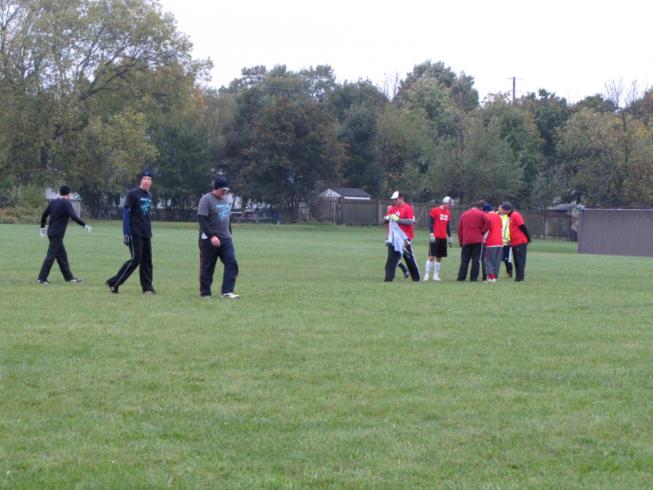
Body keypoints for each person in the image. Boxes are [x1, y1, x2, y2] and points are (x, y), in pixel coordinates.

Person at [106, 170, 155, 294]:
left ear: (151, 182)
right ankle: (114, 283)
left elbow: (146, 215)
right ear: (141, 180)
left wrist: (149, 230)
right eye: (144, 179)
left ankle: (147, 288)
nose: (146, 181)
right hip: (135, 232)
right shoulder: (133, 194)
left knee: (147, 261)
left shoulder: (149, 195)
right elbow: (126, 213)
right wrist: (126, 233)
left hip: (146, 232)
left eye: (149, 179)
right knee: (135, 259)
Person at [37, 185, 92, 284]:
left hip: (51, 232)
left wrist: (42, 227)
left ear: (60, 193)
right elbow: (73, 216)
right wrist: (84, 225)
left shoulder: (53, 202)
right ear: (69, 194)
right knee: (50, 257)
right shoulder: (66, 203)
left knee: (62, 257)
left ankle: (69, 278)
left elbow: (44, 214)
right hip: (57, 234)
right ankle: (41, 279)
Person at [197, 176, 240, 299]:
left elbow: (227, 218)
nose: (224, 192)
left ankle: (227, 291)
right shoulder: (206, 200)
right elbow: (202, 219)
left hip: (226, 238)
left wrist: (229, 233)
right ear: (215, 188)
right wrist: (211, 236)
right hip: (209, 239)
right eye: (222, 190)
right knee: (208, 266)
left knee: (231, 263)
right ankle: (205, 292)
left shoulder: (225, 199)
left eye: (226, 190)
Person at [384, 191, 420, 282]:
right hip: (394, 238)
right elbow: (386, 222)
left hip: (405, 238)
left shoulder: (407, 208)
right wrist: (387, 217)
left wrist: (398, 220)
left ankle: (416, 278)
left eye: (396, 199)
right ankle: (388, 279)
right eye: (393, 200)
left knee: (408, 258)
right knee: (391, 259)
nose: (394, 201)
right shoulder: (392, 208)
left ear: (401, 198)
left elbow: (411, 221)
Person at [457, 200, 490, 281]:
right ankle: (473, 278)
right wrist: (482, 232)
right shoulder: (481, 214)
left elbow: (459, 229)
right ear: (481, 208)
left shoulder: (464, 214)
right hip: (477, 240)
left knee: (464, 259)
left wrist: (461, 241)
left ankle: (461, 277)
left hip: (466, 240)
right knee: (476, 260)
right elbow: (488, 222)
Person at [423, 196, 454, 281]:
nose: (450, 206)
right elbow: (430, 223)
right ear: (445, 203)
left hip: (443, 237)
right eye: (449, 204)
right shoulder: (435, 210)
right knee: (431, 256)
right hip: (435, 237)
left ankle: (436, 275)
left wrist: (450, 236)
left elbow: (447, 226)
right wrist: (431, 233)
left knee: (439, 257)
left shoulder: (448, 212)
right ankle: (426, 274)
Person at [499, 202, 531, 282]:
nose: (501, 211)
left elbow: (522, 226)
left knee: (520, 260)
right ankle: (518, 278)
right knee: (516, 260)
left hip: (520, 241)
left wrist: (528, 238)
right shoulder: (510, 216)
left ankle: (520, 278)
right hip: (514, 242)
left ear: (506, 210)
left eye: (502, 209)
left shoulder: (516, 215)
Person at [482, 203, 503, 283]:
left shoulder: (487, 216)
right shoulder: (498, 216)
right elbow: (501, 229)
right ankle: (494, 276)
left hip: (491, 241)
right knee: (497, 261)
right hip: (500, 242)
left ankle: (491, 278)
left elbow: (487, 229)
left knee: (488, 260)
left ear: (486, 211)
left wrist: (484, 239)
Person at [500, 211, 514, 278]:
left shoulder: (510, 218)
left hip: (507, 242)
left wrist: (510, 239)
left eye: (501, 209)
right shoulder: (499, 217)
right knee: (501, 258)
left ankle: (509, 272)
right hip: (500, 242)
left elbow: (511, 230)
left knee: (507, 259)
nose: (500, 210)